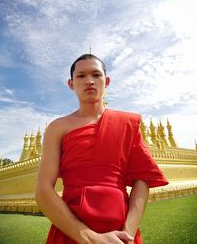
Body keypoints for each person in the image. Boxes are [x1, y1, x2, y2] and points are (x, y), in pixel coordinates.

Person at [36, 54, 168, 244]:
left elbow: (143, 179)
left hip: (121, 232)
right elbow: (43, 190)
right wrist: (90, 239)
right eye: (81, 76)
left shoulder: (125, 123)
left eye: (96, 75)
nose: (89, 81)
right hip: (72, 229)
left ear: (106, 81)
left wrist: (127, 233)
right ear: (71, 84)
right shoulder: (58, 127)